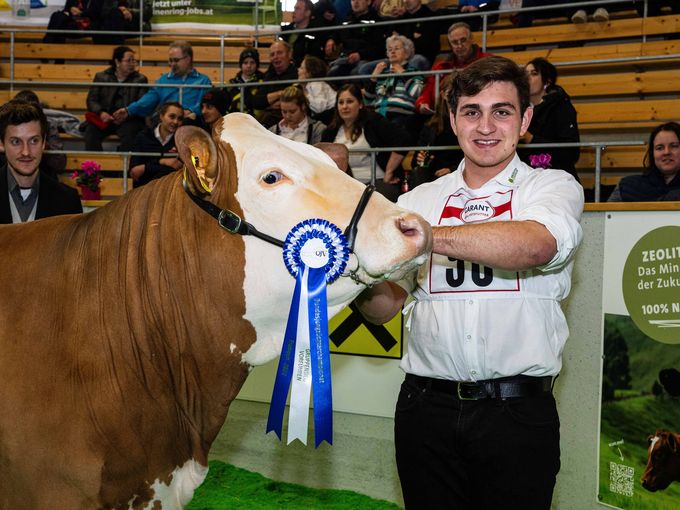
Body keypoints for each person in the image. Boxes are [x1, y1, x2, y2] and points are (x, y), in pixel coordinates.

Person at [354, 56, 584, 509]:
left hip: (517, 413)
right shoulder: (417, 200)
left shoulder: (552, 186)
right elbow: (382, 311)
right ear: (453, 120)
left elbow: (535, 246)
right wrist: (359, 268)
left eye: (502, 111)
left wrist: (427, 237)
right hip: (425, 409)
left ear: (526, 119)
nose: (486, 126)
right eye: (471, 111)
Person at [321, 83, 410, 201]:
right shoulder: (330, 131)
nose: (344, 106)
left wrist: (389, 171)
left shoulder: (374, 121)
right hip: (344, 184)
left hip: (375, 182)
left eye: (349, 101)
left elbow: (403, 139)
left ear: (360, 104)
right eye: (341, 102)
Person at [0, 101, 82, 224]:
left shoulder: (68, 200)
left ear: (44, 143)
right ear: (1, 144)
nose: (26, 152)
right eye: (16, 142)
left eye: (34, 141)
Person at [112, 41, 212, 125]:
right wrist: (128, 110)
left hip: (191, 121)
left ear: (188, 59)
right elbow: (147, 100)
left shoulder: (203, 81)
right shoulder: (163, 80)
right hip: (166, 123)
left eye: (176, 60)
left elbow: (206, 105)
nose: (172, 64)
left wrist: (191, 111)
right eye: (170, 60)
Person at [518, 57, 580, 180]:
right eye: (525, 74)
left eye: (534, 73)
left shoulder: (561, 107)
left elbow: (571, 152)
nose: (527, 77)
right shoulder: (518, 108)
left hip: (556, 178)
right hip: (525, 177)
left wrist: (531, 139)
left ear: (547, 81)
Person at [415, 22, 492, 116]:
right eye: (455, 42)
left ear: (471, 39)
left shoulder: (488, 62)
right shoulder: (441, 67)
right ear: (450, 44)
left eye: (463, 40)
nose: (459, 46)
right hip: (444, 115)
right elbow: (427, 91)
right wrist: (423, 103)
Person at [84, 46, 148, 152]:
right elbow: (91, 100)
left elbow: (141, 103)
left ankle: (124, 166)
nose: (132, 64)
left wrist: (127, 113)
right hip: (105, 118)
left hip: (129, 119)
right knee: (91, 131)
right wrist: (101, 113)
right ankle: (94, 165)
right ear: (117, 62)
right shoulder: (101, 77)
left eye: (134, 61)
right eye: (128, 61)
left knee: (132, 133)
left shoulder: (140, 79)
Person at [363, 35, 424, 138]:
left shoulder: (414, 72)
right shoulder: (382, 74)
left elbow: (417, 92)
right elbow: (367, 101)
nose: (392, 52)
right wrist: (373, 78)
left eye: (397, 48)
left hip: (401, 116)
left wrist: (403, 74)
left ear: (407, 53)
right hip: (379, 116)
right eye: (390, 49)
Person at [410, 74, 463, 188]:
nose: (455, 97)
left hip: (459, 171)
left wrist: (452, 169)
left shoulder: (470, 122)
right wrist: (419, 159)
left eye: (458, 93)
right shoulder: (431, 124)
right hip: (433, 174)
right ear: (443, 95)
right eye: (451, 92)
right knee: (419, 173)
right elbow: (415, 160)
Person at [608, 122, 680, 201]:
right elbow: (608, 212)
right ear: (652, 153)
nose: (666, 152)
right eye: (659, 148)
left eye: (674, 146)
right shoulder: (627, 187)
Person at [5, 90, 67, 180]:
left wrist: (45, 146)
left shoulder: (48, 125)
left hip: (43, 178)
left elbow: (60, 164)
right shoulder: (6, 125)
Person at [128, 102, 184, 187]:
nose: (176, 122)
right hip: (143, 191)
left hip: (169, 191)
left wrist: (145, 168)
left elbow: (178, 169)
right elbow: (134, 172)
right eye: (172, 117)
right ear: (161, 116)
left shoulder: (182, 141)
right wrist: (162, 161)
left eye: (180, 119)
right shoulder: (143, 137)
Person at [326, 0, 386, 77]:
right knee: (331, 73)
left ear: (368, 2)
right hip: (346, 58)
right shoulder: (347, 20)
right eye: (353, 0)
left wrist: (360, 55)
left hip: (366, 59)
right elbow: (337, 33)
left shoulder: (376, 21)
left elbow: (379, 47)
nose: (356, 2)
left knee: (357, 72)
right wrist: (331, 40)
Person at [253, 41, 299, 128]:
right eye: (272, 54)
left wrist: (268, 103)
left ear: (289, 54)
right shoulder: (268, 76)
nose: (276, 57)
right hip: (267, 120)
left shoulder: (297, 75)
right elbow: (257, 101)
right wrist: (281, 93)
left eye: (279, 53)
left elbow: (294, 102)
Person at [280, 0, 324, 67]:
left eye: (298, 9)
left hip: (303, 68)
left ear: (307, 13)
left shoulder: (315, 33)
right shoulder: (285, 30)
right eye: (294, 8)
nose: (294, 12)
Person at [297, 56, 337, 124]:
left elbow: (319, 108)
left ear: (309, 73)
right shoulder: (313, 84)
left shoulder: (316, 84)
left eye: (301, 68)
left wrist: (306, 93)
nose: (298, 70)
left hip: (333, 115)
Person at [227, 48, 265, 117]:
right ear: (241, 65)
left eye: (252, 62)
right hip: (235, 120)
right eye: (245, 62)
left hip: (257, 121)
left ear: (257, 65)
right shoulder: (232, 83)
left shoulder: (263, 81)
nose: (249, 66)